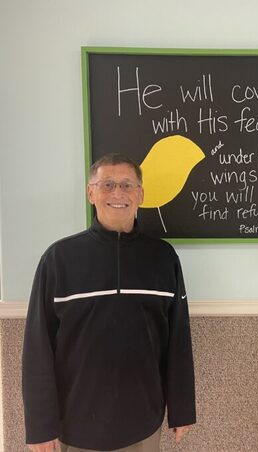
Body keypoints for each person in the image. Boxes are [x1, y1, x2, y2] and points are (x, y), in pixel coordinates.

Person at [22, 154, 196, 451]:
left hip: (143, 421)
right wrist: (39, 425)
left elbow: (178, 339)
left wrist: (182, 409)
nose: (118, 193)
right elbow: (37, 347)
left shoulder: (163, 258)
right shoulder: (59, 259)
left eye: (127, 185)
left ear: (140, 195)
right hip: (75, 423)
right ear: (91, 193)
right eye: (107, 184)